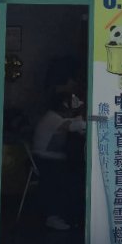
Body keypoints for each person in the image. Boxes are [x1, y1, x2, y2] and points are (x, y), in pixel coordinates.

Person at [32, 91, 87, 230]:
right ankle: (52, 217)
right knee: (68, 179)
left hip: (53, 158)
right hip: (45, 159)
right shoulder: (52, 118)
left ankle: (67, 214)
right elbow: (72, 126)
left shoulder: (56, 117)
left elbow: (74, 123)